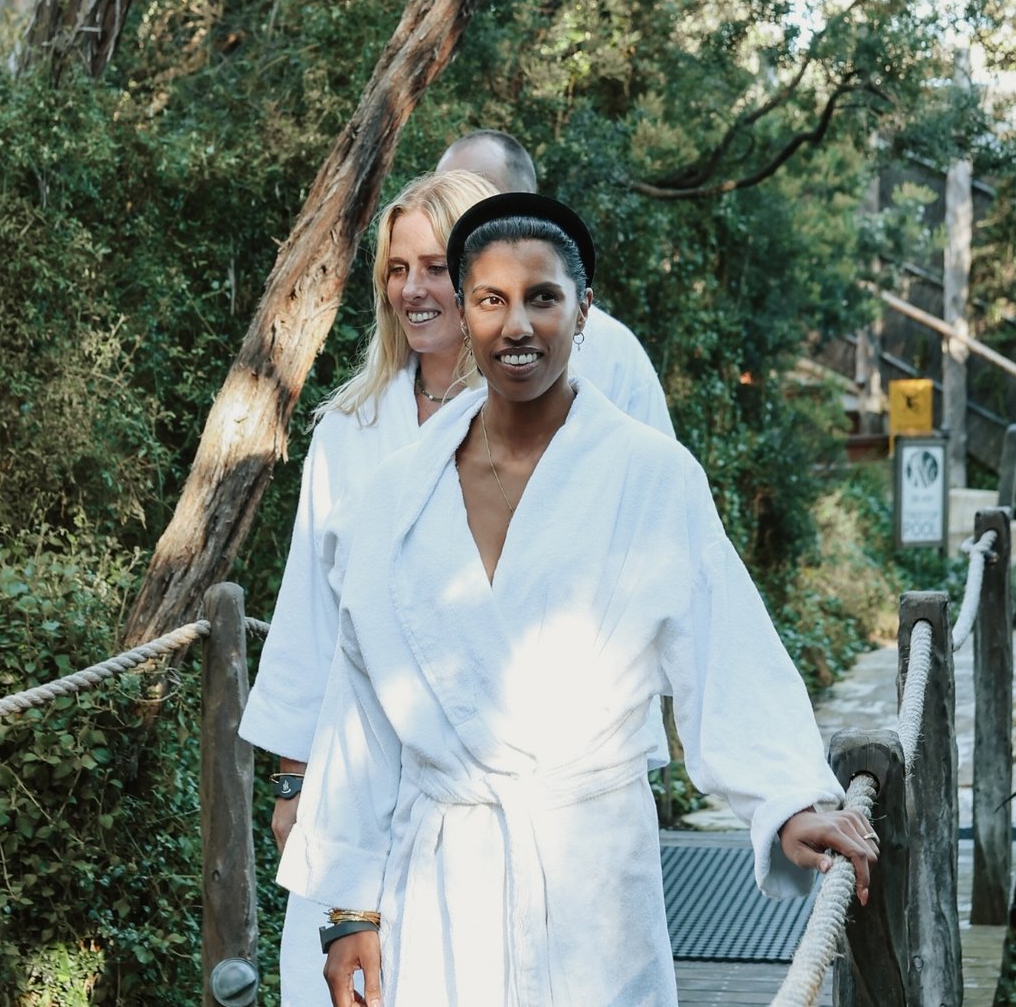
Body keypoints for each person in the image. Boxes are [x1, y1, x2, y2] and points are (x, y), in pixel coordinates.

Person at [280, 193, 877, 1007]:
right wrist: (350, 905)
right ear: (463, 309)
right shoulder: (395, 496)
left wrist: (787, 802)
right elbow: (364, 709)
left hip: (592, 878)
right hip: (439, 878)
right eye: (490, 299)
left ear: (583, 309)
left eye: (542, 297)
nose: (516, 324)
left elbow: (722, 648)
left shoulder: (651, 476)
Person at [238, 171, 677, 1007]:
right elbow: (311, 620)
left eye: (434, 267)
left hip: (517, 797)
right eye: (395, 270)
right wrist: (296, 782)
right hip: (369, 776)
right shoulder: (348, 429)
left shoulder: (551, 418)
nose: (413, 289)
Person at [437, 130, 671, 432]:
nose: (516, 328)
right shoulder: (417, 337)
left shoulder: (614, 352)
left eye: (470, 196)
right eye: (443, 196)